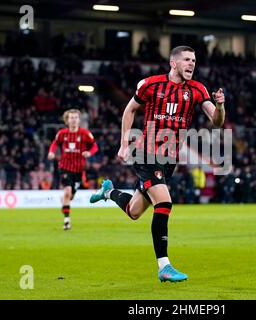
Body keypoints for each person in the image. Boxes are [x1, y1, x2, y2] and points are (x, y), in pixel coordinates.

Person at [90, 46, 225, 282]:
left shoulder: (197, 89)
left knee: (134, 212)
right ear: (173, 63)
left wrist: (221, 106)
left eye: (194, 60)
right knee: (164, 202)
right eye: (186, 60)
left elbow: (217, 122)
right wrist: (124, 143)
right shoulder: (151, 84)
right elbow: (130, 109)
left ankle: (108, 192)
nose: (192, 64)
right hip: (146, 153)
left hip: (169, 159)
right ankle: (164, 266)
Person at [48, 109, 98, 230]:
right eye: (71, 118)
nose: (74, 120)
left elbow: (95, 146)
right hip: (65, 167)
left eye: (76, 117)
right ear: (67, 120)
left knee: (70, 196)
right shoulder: (62, 133)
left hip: (79, 169)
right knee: (67, 192)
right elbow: (55, 143)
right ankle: (66, 221)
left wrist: (89, 153)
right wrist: (51, 152)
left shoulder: (85, 134)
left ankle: (65, 203)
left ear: (79, 120)